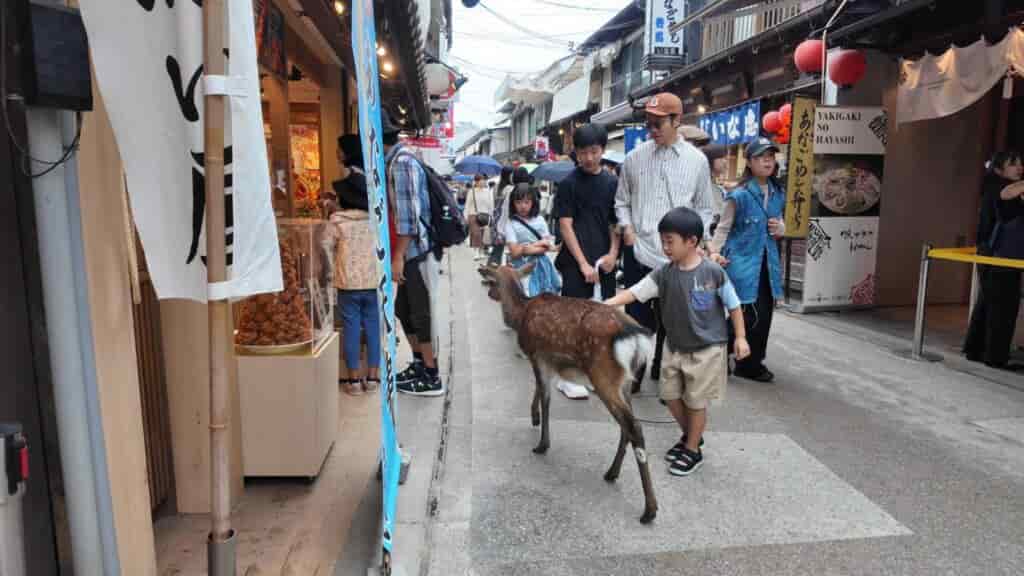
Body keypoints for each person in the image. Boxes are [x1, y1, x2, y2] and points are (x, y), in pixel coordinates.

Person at [605, 207, 750, 476]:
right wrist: (607, 305)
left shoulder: (713, 273)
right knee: (670, 395)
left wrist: (740, 338)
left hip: (708, 349)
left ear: (692, 241)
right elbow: (636, 292)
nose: (665, 247)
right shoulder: (664, 273)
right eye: (663, 241)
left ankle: (692, 449)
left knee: (696, 402)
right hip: (674, 347)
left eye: (670, 241)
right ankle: (692, 436)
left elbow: (734, 305)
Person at [615, 92, 717, 381]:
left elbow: (704, 208)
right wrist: (628, 228)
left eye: (658, 123)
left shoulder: (697, 161)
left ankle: (665, 371)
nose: (652, 129)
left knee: (673, 319)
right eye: (648, 123)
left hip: (678, 256)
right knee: (636, 317)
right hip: (639, 250)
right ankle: (634, 372)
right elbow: (621, 201)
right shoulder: (634, 158)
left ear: (677, 120)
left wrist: (696, 243)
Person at [708, 137, 786, 382]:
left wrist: (781, 228)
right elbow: (723, 227)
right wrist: (714, 253)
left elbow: (780, 223)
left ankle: (751, 363)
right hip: (741, 263)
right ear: (749, 163)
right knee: (744, 313)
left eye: (770, 157)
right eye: (761, 157)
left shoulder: (778, 192)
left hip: (768, 264)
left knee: (764, 315)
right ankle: (718, 353)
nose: (767, 161)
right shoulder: (738, 195)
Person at [384, 112, 444, 397]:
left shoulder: (402, 163)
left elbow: (408, 219)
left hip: (416, 252)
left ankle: (432, 375)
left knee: (421, 315)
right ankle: (420, 364)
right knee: (403, 310)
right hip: (411, 253)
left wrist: (398, 257)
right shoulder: (398, 160)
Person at [322, 171, 380, 396]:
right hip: (373, 282)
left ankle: (354, 380)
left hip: (348, 284)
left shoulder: (337, 221)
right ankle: (373, 378)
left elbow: (325, 246)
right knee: (373, 328)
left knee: (351, 329)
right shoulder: (375, 220)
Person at [964, 150, 1024, 369]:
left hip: (995, 253)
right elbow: (1007, 193)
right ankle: (995, 357)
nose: (1019, 167)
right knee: (1003, 306)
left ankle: (976, 350)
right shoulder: (998, 185)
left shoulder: (1001, 187)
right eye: (1013, 163)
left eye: (1020, 163)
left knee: (989, 303)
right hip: (1000, 254)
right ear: (999, 168)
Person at [555, 123, 620, 301]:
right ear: (576, 152)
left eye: (594, 151)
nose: (589, 158)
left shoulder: (613, 183)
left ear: (603, 150)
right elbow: (565, 226)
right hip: (575, 264)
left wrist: (613, 255)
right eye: (583, 153)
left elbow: (614, 222)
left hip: (604, 262)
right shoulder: (568, 184)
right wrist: (583, 264)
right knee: (574, 313)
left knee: (605, 311)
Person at [504, 183, 561, 297]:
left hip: (542, 267)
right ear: (513, 203)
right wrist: (538, 243)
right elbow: (514, 252)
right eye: (518, 202)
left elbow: (546, 246)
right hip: (521, 269)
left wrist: (525, 248)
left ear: (533, 202)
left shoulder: (540, 220)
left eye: (527, 202)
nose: (523, 206)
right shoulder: (511, 223)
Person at [487, 166, 515, 267]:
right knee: (507, 249)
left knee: (497, 248)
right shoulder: (510, 189)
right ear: (509, 175)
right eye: (512, 174)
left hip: (496, 219)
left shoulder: (496, 187)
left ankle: (491, 269)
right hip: (505, 219)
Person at [466, 174, 495, 260]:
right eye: (480, 181)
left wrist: (491, 215)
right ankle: (476, 252)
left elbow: (491, 204)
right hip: (473, 214)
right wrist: (465, 216)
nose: (483, 182)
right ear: (476, 182)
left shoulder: (488, 191)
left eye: (484, 181)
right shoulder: (471, 191)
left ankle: (481, 252)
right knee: (476, 234)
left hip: (485, 215)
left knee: (483, 234)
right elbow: (467, 204)